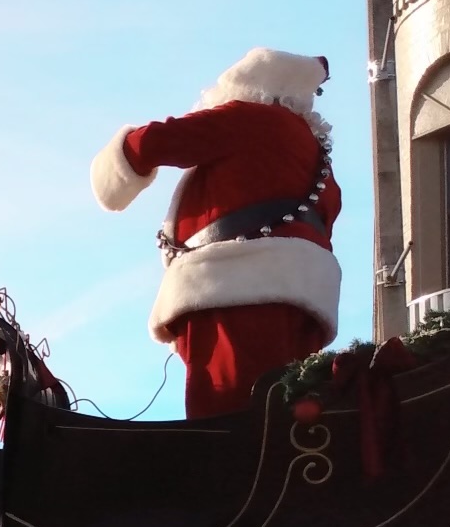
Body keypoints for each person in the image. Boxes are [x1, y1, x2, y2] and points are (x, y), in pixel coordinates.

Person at [90, 48, 343, 420]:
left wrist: (114, 170)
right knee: (283, 411)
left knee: (224, 414)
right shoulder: (313, 152)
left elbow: (151, 143)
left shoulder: (247, 119)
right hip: (303, 302)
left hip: (233, 290)